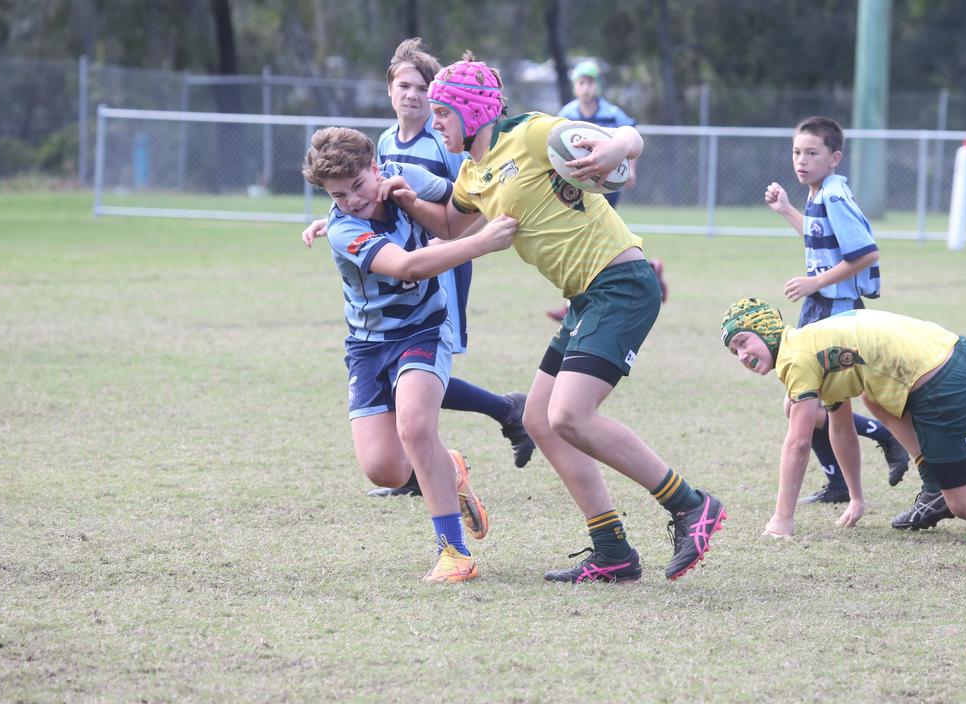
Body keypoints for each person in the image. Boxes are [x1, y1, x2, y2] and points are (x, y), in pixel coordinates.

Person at [389, 52, 726, 583]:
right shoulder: (473, 172)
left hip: (622, 284)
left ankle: (690, 505)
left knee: (570, 415)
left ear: (474, 112)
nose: (434, 123)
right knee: (538, 421)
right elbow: (452, 226)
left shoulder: (530, 133)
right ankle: (612, 549)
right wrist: (406, 199)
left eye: (443, 113)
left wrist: (616, 146)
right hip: (586, 296)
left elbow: (631, 140)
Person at [301, 126, 518, 582]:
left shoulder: (406, 177)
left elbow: (465, 204)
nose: (353, 199)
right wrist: (480, 245)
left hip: (424, 327)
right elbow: (407, 265)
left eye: (358, 186)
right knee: (384, 470)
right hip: (367, 346)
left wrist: (423, 206)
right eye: (338, 195)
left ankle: (454, 553)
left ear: (375, 167)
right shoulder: (344, 230)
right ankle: (449, 466)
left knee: (415, 425)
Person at [370, 38, 535, 496]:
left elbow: (472, 200)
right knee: (401, 367)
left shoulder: (445, 142)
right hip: (399, 268)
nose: (412, 95)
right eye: (403, 85)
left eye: (422, 88)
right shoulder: (385, 141)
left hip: (440, 267)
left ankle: (504, 412)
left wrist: (444, 220)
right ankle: (421, 469)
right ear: (389, 90)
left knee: (422, 367)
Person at [722, 298, 966, 537]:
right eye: (735, 351)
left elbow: (798, 443)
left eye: (743, 341)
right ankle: (933, 485)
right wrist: (856, 498)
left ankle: (941, 490)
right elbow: (842, 429)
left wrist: (781, 520)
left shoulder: (796, 358)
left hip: (941, 381)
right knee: (872, 396)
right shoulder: (811, 342)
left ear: (766, 329)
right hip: (951, 355)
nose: (742, 355)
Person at [764, 116, 910, 505]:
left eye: (812, 153)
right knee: (816, 405)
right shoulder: (817, 192)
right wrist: (785, 210)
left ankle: (879, 444)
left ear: (834, 158)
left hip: (837, 309)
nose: (802, 160)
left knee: (805, 404)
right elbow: (818, 237)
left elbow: (866, 254)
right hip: (820, 305)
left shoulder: (833, 195)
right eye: (797, 152)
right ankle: (844, 481)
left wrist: (814, 283)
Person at [548, 60, 666, 321]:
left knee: (593, 236)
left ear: (597, 86)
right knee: (591, 237)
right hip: (577, 181)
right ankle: (650, 270)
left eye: (590, 82)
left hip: (604, 183)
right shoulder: (567, 112)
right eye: (581, 82)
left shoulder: (612, 113)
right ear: (575, 87)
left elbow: (630, 137)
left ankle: (576, 305)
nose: (586, 87)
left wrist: (631, 171)